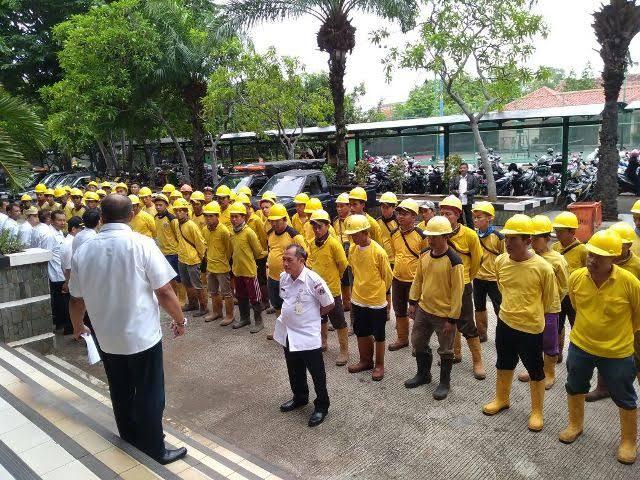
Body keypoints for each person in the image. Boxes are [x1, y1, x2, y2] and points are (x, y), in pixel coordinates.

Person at [68, 194, 188, 465]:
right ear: (131, 215)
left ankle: (130, 437)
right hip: (141, 337)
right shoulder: (141, 244)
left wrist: (78, 326)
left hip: (107, 337)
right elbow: (165, 290)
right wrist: (180, 321)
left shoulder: (84, 249)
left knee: (120, 389)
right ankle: (155, 448)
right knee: (149, 391)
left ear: (102, 217)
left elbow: (76, 299)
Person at [558, 230, 640, 465]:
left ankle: (628, 441)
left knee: (624, 395)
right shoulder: (576, 278)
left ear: (613, 259)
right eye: (590, 254)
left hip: (617, 351)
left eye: (599, 257)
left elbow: (638, 317)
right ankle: (575, 425)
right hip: (581, 345)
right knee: (574, 386)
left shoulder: (629, 283)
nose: (591, 260)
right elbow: (575, 305)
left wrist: (617, 336)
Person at [482, 214, 556, 433]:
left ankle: (537, 411)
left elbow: (549, 302)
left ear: (527, 241)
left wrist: (536, 320)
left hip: (531, 328)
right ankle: (502, 399)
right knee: (504, 362)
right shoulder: (500, 261)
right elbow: (504, 289)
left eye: (514, 239)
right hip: (505, 322)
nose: (508, 243)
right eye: (507, 238)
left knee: (535, 368)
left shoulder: (543, 268)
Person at [275, 244, 334, 427]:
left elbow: (329, 303)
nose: (285, 263)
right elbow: (285, 299)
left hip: (308, 335)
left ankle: (322, 406)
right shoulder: (284, 277)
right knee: (294, 369)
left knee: (317, 373)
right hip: (289, 332)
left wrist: (312, 318)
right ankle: (300, 397)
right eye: (284, 259)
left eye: (289, 260)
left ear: (301, 260)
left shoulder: (313, 280)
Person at [405, 216, 464, 400]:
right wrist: (413, 302)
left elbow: (457, 293)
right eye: (429, 236)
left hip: (444, 315)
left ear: (445, 236)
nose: (430, 240)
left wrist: (452, 319)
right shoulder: (424, 254)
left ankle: (444, 382)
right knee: (417, 341)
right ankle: (424, 374)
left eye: (434, 237)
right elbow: (418, 279)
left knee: (446, 350)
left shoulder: (454, 261)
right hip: (424, 309)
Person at [585, 221, 640, 402]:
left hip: (631, 320)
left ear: (629, 246)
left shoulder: (636, 266)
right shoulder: (601, 261)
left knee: (636, 357)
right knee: (603, 353)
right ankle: (603, 388)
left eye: (620, 245)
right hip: (606, 317)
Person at [517, 215, 569, 389]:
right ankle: (535, 369)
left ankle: (550, 373)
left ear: (547, 238)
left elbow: (563, 286)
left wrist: (552, 304)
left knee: (549, 342)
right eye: (531, 237)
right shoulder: (528, 257)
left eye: (537, 237)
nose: (533, 241)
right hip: (532, 307)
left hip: (550, 309)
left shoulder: (557, 260)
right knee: (533, 340)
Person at [439, 195, 485, 379]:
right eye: (441, 213)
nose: (444, 217)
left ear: (458, 214)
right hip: (443, 284)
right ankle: (454, 353)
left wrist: (466, 278)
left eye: (448, 214)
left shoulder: (470, 235)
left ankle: (477, 361)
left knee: (467, 324)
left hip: (463, 284)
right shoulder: (437, 231)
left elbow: (477, 261)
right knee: (447, 321)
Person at [345, 215, 393, 381]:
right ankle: (365, 360)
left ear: (366, 232)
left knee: (379, 334)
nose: (353, 237)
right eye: (351, 235)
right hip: (358, 298)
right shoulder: (353, 249)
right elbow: (354, 270)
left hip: (376, 301)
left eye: (356, 234)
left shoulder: (379, 252)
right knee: (361, 331)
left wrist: (380, 292)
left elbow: (387, 277)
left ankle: (379, 364)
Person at [307, 209, 349, 366]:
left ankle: (344, 350)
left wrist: (334, 278)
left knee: (338, 320)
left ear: (327, 226)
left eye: (319, 226)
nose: (316, 230)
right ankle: (323, 342)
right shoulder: (312, 243)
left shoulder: (334, 244)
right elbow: (310, 262)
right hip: (316, 288)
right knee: (320, 317)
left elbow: (343, 264)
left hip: (332, 289)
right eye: (314, 227)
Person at [388, 199, 428, 352]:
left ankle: (418, 342)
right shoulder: (394, 234)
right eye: (399, 213)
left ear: (414, 216)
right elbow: (396, 253)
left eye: (405, 214)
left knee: (417, 313)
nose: (400, 217)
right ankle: (402, 338)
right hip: (397, 278)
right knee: (399, 310)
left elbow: (426, 258)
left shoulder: (421, 235)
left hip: (414, 280)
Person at [265, 204, 306, 340]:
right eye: (272, 221)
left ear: (284, 219)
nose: (274, 224)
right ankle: (281, 331)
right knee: (277, 305)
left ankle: (295, 333)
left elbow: (305, 256)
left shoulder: (294, 235)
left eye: (277, 221)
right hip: (273, 277)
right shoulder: (270, 234)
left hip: (290, 279)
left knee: (293, 307)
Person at [552, 211, 588, 363]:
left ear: (572, 232)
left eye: (560, 231)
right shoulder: (554, 247)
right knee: (557, 327)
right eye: (556, 231)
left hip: (575, 297)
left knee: (577, 327)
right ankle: (557, 354)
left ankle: (579, 357)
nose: (557, 234)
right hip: (559, 295)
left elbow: (587, 273)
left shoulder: (582, 250)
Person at [229, 201, 267, 332]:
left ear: (243, 217)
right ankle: (245, 318)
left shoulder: (249, 232)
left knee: (255, 297)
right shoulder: (231, 232)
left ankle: (259, 321)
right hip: (237, 271)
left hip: (249, 271)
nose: (234, 219)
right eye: (232, 217)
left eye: (236, 216)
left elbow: (257, 252)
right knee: (240, 296)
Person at [471, 201, 504, 343]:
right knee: (479, 307)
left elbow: (505, 257)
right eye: (475, 217)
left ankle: (503, 334)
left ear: (489, 218)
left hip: (493, 279)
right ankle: (481, 333)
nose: (476, 220)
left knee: (500, 308)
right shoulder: (474, 236)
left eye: (479, 217)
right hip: (478, 278)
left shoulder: (498, 237)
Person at [173, 198, 208, 316]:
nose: (178, 213)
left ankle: (203, 307)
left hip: (193, 259)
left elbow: (200, 242)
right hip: (182, 258)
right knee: (186, 283)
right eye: (176, 211)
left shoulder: (191, 225)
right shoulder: (177, 224)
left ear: (186, 211)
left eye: (181, 210)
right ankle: (193, 304)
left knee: (197, 284)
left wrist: (202, 258)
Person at [201, 201, 234, 325]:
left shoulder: (224, 231)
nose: (208, 219)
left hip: (222, 267)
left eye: (211, 216)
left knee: (226, 293)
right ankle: (217, 312)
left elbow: (229, 250)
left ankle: (230, 315)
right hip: (210, 266)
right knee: (213, 292)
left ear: (217, 216)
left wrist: (222, 260)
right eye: (206, 216)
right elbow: (206, 246)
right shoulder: (205, 230)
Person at [42, 210, 71, 333]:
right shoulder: (49, 235)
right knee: (61, 302)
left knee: (62, 302)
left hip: (61, 272)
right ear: (52, 220)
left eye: (64, 220)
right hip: (56, 274)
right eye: (59, 220)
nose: (62, 222)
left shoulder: (59, 232)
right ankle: (62, 325)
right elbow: (45, 255)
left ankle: (62, 324)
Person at [154, 194, 185, 305]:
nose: (158, 207)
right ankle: (174, 298)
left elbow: (178, 235)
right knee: (168, 278)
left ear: (166, 205)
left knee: (178, 277)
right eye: (156, 205)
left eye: (160, 205)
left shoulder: (172, 218)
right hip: (162, 253)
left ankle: (182, 299)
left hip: (173, 252)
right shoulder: (155, 218)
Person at [333, 193, 352, 315]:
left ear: (349, 206)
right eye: (337, 206)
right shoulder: (335, 221)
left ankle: (351, 304)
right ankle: (346, 304)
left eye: (342, 206)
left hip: (351, 255)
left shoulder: (353, 220)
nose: (339, 209)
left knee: (351, 281)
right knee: (343, 280)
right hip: (340, 255)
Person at [448, 162, 478, 228]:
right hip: (458, 202)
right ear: (459, 169)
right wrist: (455, 191)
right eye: (461, 168)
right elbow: (451, 189)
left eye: (464, 168)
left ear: (467, 169)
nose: (462, 169)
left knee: (469, 219)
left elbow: (476, 189)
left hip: (468, 201)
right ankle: (460, 230)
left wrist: (468, 192)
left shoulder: (473, 178)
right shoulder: (455, 178)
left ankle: (471, 232)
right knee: (459, 218)